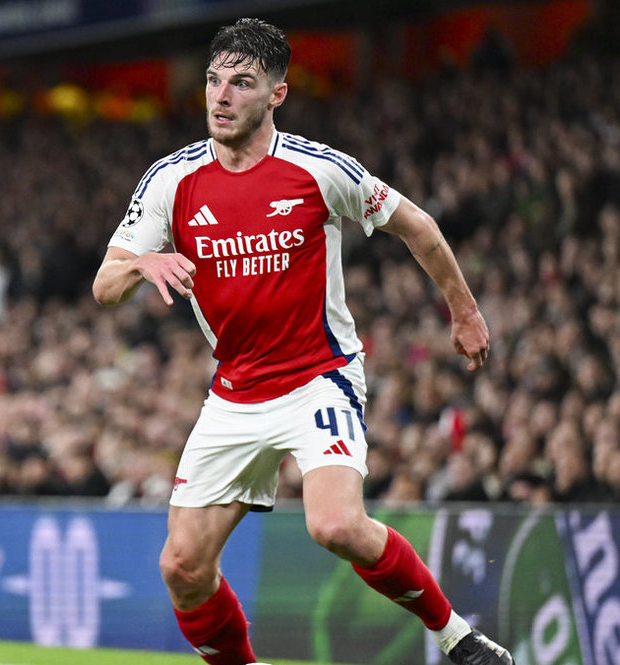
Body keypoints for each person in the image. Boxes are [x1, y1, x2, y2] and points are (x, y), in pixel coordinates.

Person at [93, 18, 512, 665]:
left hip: (318, 376)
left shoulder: (318, 169)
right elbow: (104, 285)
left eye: (242, 82)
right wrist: (142, 264)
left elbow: (418, 225)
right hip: (234, 392)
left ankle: (459, 637)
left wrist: (464, 310)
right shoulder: (171, 181)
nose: (221, 96)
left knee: (335, 524)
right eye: (213, 80)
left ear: (277, 94)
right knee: (182, 566)